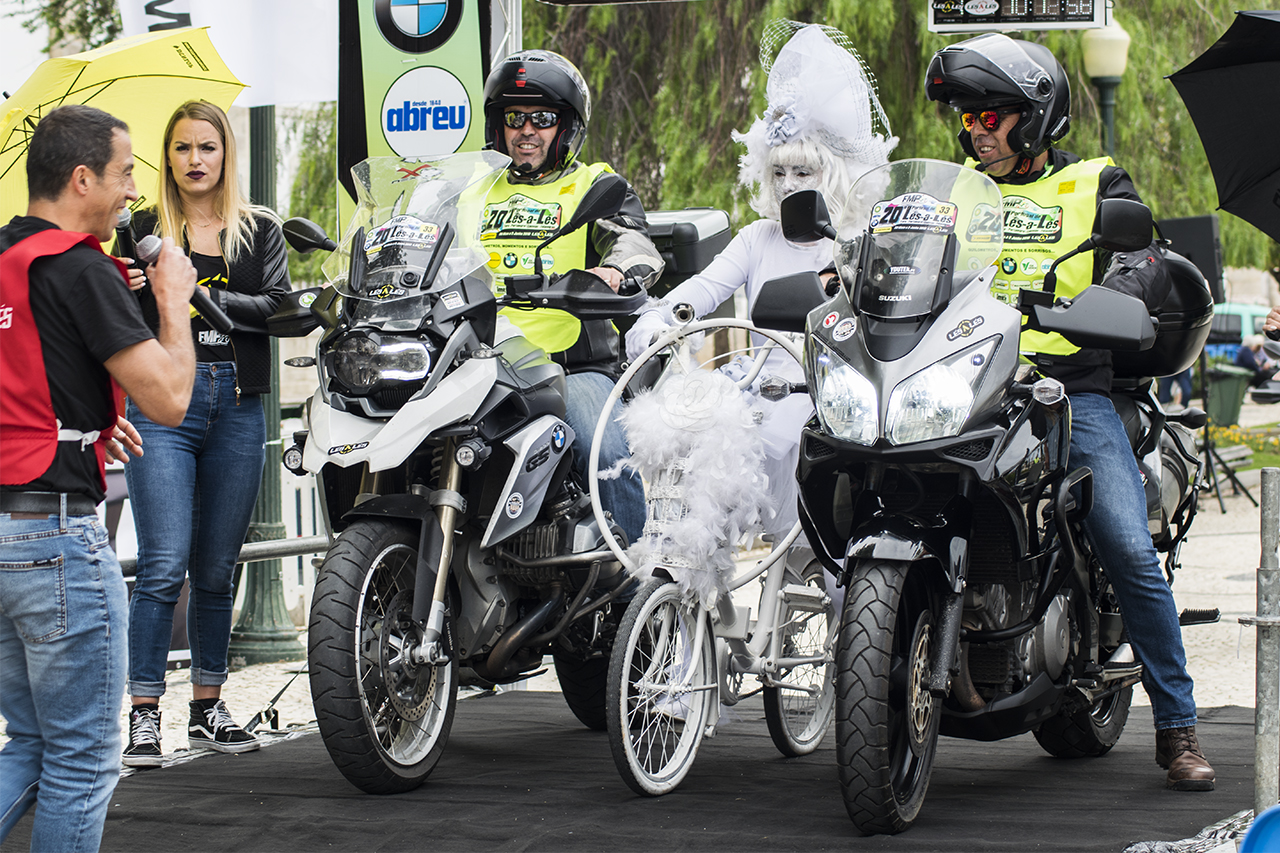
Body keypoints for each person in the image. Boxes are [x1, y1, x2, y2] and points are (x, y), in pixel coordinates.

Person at [926, 33, 1215, 791]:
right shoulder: (952, 192)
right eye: (968, 117)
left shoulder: (1093, 181)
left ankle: (1178, 724)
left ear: (1037, 116)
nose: (977, 130)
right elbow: (895, 253)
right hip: (959, 386)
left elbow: (1147, 253)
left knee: (1123, 540)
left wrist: (1122, 287)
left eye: (993, 115)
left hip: (1066, 393)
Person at [0, 104, 196, 851]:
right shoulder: (83, 267)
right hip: (55, 540)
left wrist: (77, 414)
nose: (133, 190)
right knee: (82, 760)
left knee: (28, 744)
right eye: (123, 174)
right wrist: (170, 300)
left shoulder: (6, 259)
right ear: (81, 178)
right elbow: (170, 399)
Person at [625, 22, 896, 541]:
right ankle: (689, 601)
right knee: (691, 436)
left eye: (804, 173)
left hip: (834, 401)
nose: (790, 186)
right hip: (759, 388)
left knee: (842, 551)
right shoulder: (756, 238)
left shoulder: (859, 240)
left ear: (833, 172)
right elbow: (703, 289)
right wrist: (662, 316)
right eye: (780, 174)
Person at [119, 100, 290, 767]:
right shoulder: (139, 228)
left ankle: (207, 707)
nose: (195, 159)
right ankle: (143, 713)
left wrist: (189, 294)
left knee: (216, 567)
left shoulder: (258, 230)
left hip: (238, 403)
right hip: (164, 404)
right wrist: (129, 285)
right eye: (183, 147)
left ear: (226, 156)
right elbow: (109, 315)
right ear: (169, 157)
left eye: (207, 147)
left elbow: (278, 308)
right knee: (163, 564)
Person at [480, 50, 663, 544]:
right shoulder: (475, 190)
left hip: (568, 366)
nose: (526, 131)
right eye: (515, 118)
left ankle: (631, 581)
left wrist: (617, 269)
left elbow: (631, 238)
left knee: (605, 453)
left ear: (565, 127)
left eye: (542, 119)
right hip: (479, 361)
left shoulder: (593, 184)